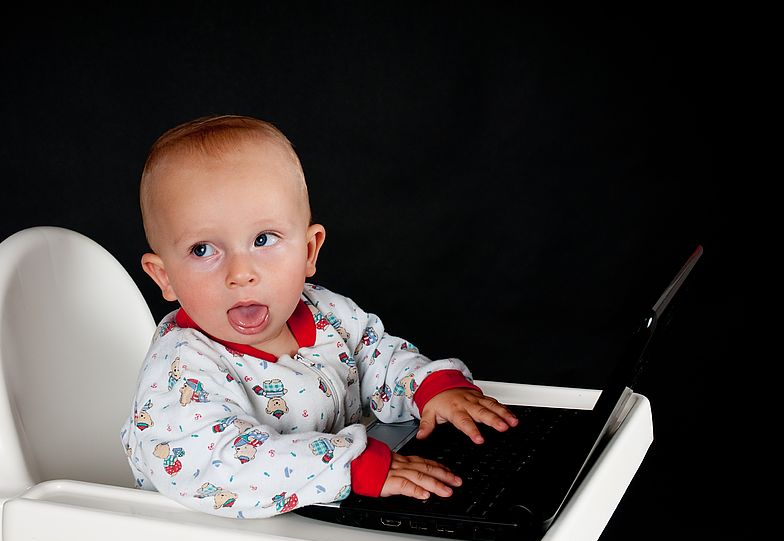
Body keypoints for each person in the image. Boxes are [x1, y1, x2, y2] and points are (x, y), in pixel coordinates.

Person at [120, 115, 518, 518]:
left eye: (263, 239)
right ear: (165, 276)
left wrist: (430, 388)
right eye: (203, 250)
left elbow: (374, 355)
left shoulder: (325, 311)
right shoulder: (179, 372)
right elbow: (221, 463)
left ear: (308, 251)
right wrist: (350, 465)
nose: (240, 273)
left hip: (317, 521)